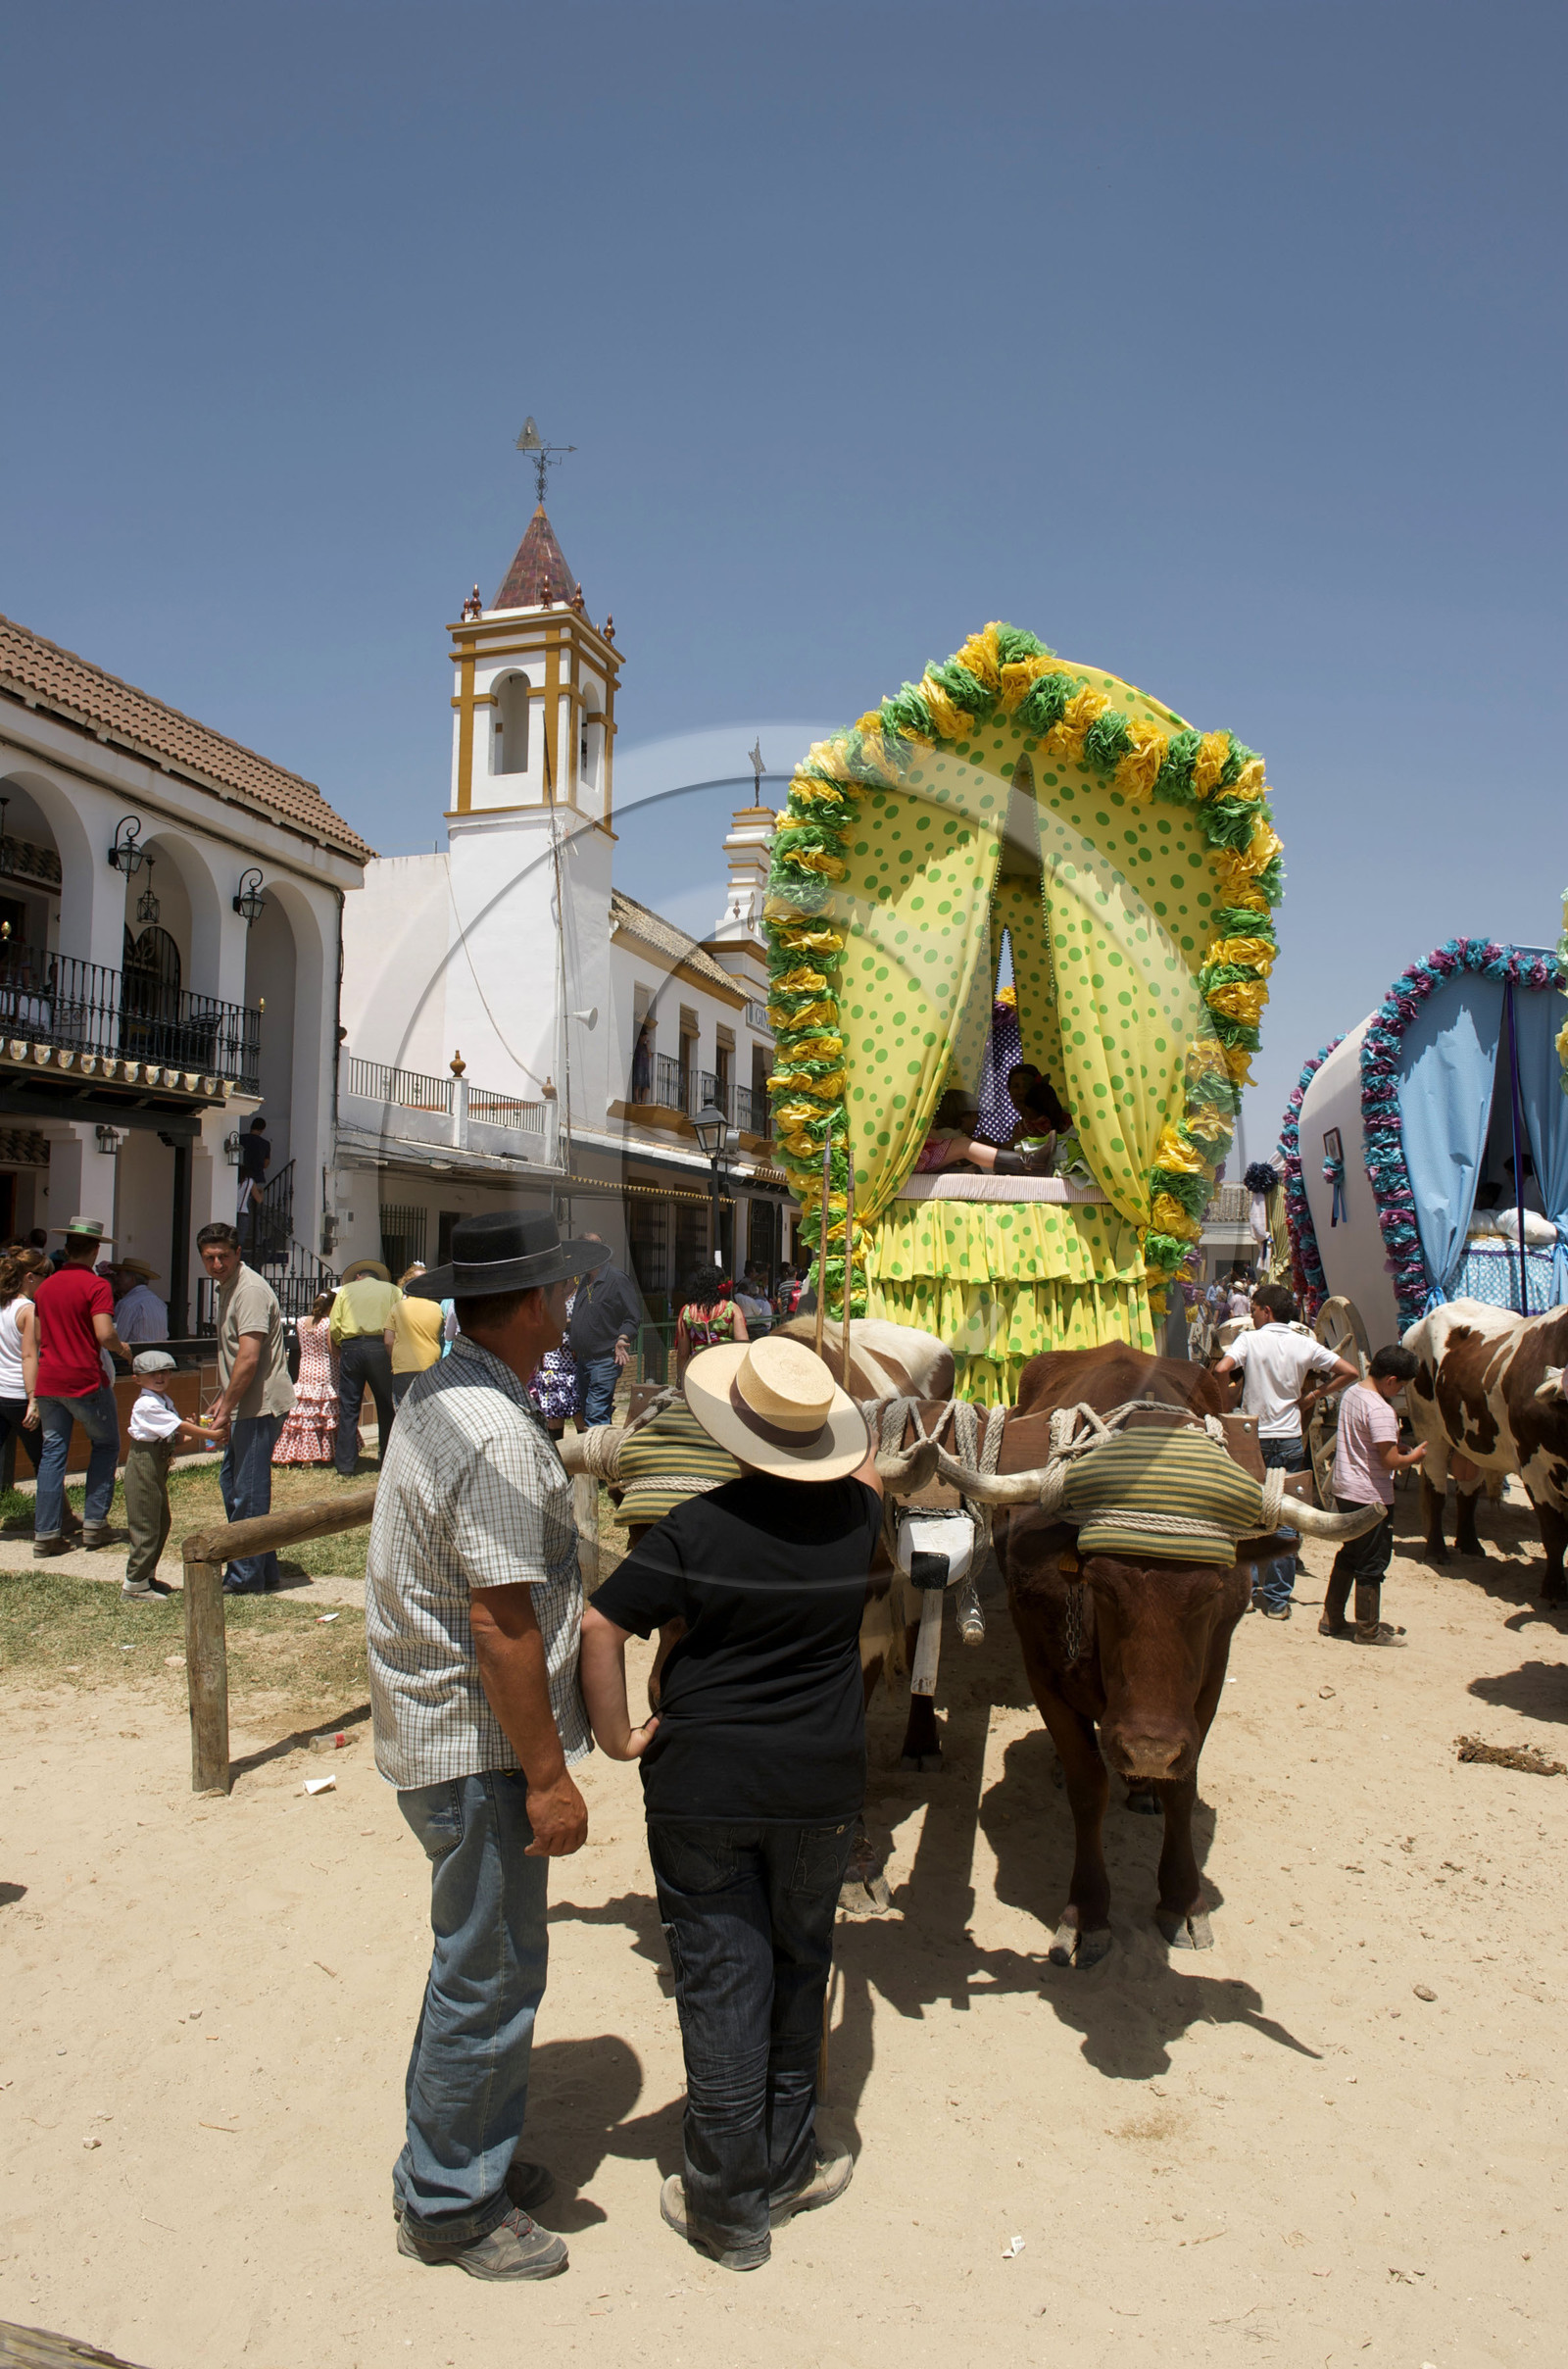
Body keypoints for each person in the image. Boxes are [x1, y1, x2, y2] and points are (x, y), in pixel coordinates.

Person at [580, 1334, 879, 2273]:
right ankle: (783, 2167)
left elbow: (601, 1622)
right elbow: (868, 1480)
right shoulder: (864, 1519)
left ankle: (724, 2204)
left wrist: (617, 1735)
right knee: (800, 1969)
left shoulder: (690, 1529)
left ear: (734, 1435)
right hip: (821, 1786)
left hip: (702, 1782)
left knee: (720, 1981)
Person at [367, 1209, 611, 2282]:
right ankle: (452, 2204)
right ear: (522, 1304)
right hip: (477, 1746)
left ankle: (454, 2157)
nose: (565, 1309)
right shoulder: (500, 1428)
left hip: (437, 1724)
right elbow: (500, 1621)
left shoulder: (445, 1389)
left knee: (476, 1960)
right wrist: (550, 1775)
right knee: (490, 1970)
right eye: (554, 1293)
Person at [1212, 1283, 1357, 1617]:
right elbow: (1348, 1372)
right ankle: (1277, 1602)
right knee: (1287, 1515)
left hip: (1253, 1437)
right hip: (1290, 1436)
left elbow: (1222, 1369)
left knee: (1247, 1510)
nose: (1252, 1316)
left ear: (1267, 1311)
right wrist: (1313, 1397)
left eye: (1255, 1310)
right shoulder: (1302, 1343)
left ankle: (1246, 1593)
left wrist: (1224, 1405)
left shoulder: (1250, 1339)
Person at [198, 1220, 295, 1594]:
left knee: (247, 1492)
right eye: (210, 1257)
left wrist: (228, 1405)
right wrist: (223, 1400)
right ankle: (262, 1566)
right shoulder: (230, 1286)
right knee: (233, 1485)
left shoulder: (249, 1290)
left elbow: (250, 1358)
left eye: (224, 1255)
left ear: (238, 1253)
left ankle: (245, 1576)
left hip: (260, 1406)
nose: (217, 1263)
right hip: (245, 1404)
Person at [32, 1216, 130, 1557]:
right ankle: (95, 1524)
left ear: (67, 1248)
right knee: (105, 1445)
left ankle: (45, 1532)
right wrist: (123, 1349)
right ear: (94, 1249)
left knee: (53, 1453)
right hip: (84, 1377)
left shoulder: (45, 1287)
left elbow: (41, 1336)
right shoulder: (96, 1285)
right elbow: (104, 1333)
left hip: (49, 1380)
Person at [1321, 1345, 1426, 1647]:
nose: (1400, 1390)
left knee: (1350, 1554)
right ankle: (1368, 1630)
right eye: (1401, 1384)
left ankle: (1332, 1618)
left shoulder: (1353, 1394)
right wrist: (1414, 1456)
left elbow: (1374, 1446)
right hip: (1371, 1494)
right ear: (1391, 1379)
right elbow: (1389, 1461)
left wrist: (1396, 1449)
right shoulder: (1381, 1410)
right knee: (1373, 1561)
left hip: (1346, 1488)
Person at [122, 1350, 220, 1603]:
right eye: (152, 1373)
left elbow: (175, 1438)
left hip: (157, 1465)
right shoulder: (146, 1404)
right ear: (137, 1379)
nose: (160, 1376)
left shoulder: (163, 1400)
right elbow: (179, 1427)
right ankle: (134, 1585)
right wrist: (210, 1435)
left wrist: (195, 1432)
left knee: (160, 1521)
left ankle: (147, 1576)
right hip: (143, 1466)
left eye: (165, 1371)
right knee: (145, 1524)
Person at [329, 1257, 402, 1475]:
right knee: (386, 1406)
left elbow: (335, 1326)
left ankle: (345, 1464)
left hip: (352, 1346)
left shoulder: (345, 1291)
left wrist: (341, 1348)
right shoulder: (392, 1291)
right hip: (380, 1347)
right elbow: (400, 1317)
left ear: (360, 1276)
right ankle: (387, 1458)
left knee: (349, 1407)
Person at [565, 1233, 643, 1426]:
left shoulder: (616, 1279)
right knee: (587, 1413)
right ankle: (598, 1453)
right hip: (583, 1360)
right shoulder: (585, 1281)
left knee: (595, 1413)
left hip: (605, 1359)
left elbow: (632, 1317)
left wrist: (623, 1338)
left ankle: (596, 1456)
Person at [272, 1292, 348, 1466]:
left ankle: (299, 1451)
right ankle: (325, 1451)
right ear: (331, 1307)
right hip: (325, 1369)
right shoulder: (327, 1323)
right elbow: (331, 1348)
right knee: (325, 1411)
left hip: (305, 1368)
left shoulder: (301, 1322)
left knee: (305, 1413)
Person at [0, 1247, 49, 1498]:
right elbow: (29, 1355)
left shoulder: (3, 1305)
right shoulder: (28, 1310)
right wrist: (34, 1398)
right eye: (44, 1276)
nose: (47, 1282)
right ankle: (55, 1519)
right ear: (30, 1277)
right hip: (19, 1394)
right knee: (44, 1459)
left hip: (1, 1391)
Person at [912, 1088, 1046, 1177]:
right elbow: (945, 1143)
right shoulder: (948, 1135)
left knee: (965, 1145)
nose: (979, 1119)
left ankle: (1028, 1163)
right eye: (975, 1114)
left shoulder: (947, 1135)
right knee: (965, 1145)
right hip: (924, 1161)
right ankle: (1028, 1164)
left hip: (928, 1159)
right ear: (962, 1117)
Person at [673, 1268, 748, 1385]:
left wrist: (680, 1380)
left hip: (697, 1373)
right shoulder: (732, 1309)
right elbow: (742, 1345)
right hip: (726, 1374)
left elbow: (683, 1354)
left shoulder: (687, 1312)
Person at [386, 1260, 445, 1407]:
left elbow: (388, 1340)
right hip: (430, 1363)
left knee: (402, 1410)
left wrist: (396, 1358)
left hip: (403, 1365)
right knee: (427, 1409)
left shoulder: (397, 1307)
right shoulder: (436, 1308)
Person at [111, 1258, 169, 1348]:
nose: (116, 1279)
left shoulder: (127, 1304)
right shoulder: (159, 1302)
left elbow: (117, 1339)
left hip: (134, 1358)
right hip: (157, 1357)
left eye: (119, 1275)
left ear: (132, 1279)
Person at [236, 1114, 270, 1224]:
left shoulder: (241, 1138)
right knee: (257, 1211)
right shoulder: (265, 1144)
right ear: (262, 1129)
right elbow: (266, 1164)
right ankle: (255, 1237)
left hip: (241, 1177)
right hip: (258, 1178)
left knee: (239, 1204)